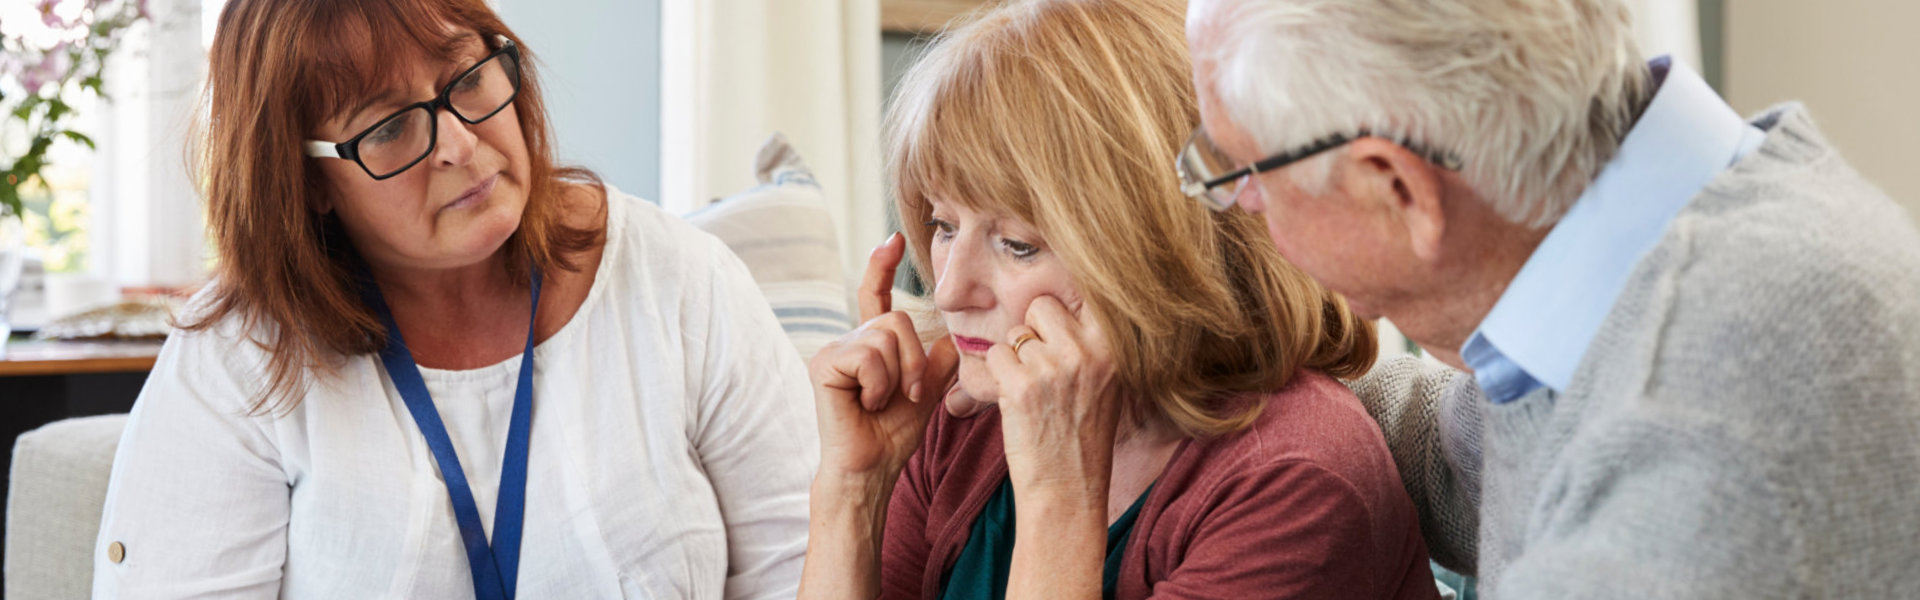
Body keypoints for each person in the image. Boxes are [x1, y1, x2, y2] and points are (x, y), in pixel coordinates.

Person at [1182, 0, 1920, 596]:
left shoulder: (1696, 449)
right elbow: (1465, 456)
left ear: (1398, 189)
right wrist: (1193, 361)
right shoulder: (1654, 253)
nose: (1246, 208)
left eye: (1246, 178)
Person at [91, 0, 816, 597]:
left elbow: (802, 570)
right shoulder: (239, 357)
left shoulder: (678, 278)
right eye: (390, 127)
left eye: (466, 77)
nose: (462, 146)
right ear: (306, 181)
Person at [798, 1, 1439, 598]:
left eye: (1017, 243)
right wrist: (853, 493)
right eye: (943, 225)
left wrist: (1059, 493)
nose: (947, 290)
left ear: (1161, 251)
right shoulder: (972, 411)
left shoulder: (1298, 480)